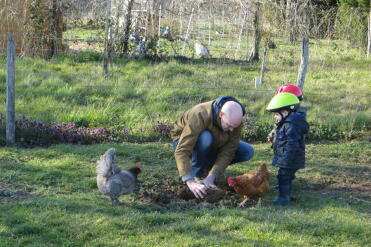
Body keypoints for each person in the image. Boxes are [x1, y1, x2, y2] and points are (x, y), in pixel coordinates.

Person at [171, 96, 254, 199]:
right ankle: (196, 173)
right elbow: (182, 150)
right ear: (221, 114)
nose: (232, 130)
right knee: (206, 138)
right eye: (229, 126)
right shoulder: (200, 114)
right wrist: (189, 180)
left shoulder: (234, 120)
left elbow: (229, 151)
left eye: (234, 127)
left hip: (215, 142)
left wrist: (212, 176)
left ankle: (207, 169)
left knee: (247, 151)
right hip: (183, 141)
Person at [266, 92, 309, 205]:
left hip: (290, 158)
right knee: (286, 176)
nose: (275, 116)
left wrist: (286, 159)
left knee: (283, 176)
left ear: (285, 112)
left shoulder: (290, 125)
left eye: (276, 114)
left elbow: (292, 144)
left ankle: (283, 198)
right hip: (289, 158)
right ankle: (287, 195)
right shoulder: (286, 123)